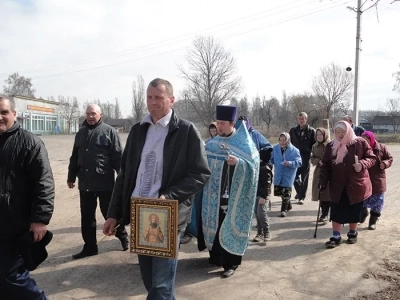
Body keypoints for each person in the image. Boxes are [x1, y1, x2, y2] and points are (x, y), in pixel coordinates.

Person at [103, 78, 210, 299]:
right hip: (140, 212)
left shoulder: (186, 131)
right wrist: (114, 214)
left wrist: (168, 196)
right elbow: (124, 176)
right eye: (149, 97)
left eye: (158, 97)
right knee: (151, 281)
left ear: (171, 100)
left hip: (166, 215)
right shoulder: (138, 131)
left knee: (161, 286)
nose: (153, 102)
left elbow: (201, 174)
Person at [0, 95, 55, 299]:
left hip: (15, 225)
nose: (0, 117)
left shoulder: (29, 142)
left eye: (4, 112)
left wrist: (40, 219)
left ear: (14, 114)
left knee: (11, 275)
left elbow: (44, 183)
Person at [201, 105, 259, 278]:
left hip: (234, 195)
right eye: (217, 123)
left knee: (230, 224)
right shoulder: (212, 144)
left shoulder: (244, 143)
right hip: (214, 194)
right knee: (216, 223)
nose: (219, 127)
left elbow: (254, 166)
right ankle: (216, 258)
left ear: (232, 123)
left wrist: (239, 164)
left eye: (223, 123)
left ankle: (231, 263)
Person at [67, 104, 128, 259]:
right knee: (87, 217)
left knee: (110, 213)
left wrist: (123, 180)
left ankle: (123, 236)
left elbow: (117, 158)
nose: (90, 116)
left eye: (93, 113)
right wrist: (71, 176)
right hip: (85, 183)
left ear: (100, 114)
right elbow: (75, 156)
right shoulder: (80, 133)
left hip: (105, 183)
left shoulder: (109, 132)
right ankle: (90, 247)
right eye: (88, 113)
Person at [319, 121, 376, 249]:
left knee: (353, 210)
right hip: (337, 184)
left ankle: (352, 233)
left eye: (342, 132)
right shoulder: (330, 146)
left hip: (355, 183)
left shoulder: (360, 143)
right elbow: (325, 165)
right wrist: (322, 181)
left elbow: (372, 158)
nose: (340, 135)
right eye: (337, 132)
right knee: (336, 210)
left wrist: (362, 164)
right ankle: (336, 235)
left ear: (349, 131)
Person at [360, 131, 393, 230]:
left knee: (378, 202)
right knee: (361, 200)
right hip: (364, 179)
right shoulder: (360, 148)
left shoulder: (381, 148)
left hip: (378, 179)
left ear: (371, 139)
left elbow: (390, 158)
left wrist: (385, 163)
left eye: (367, 140)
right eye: (363, 141)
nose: (365, 143)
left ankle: (372, 221)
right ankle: (363, 213)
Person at [271, 133, 302, 217]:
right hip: (278, 172)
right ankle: (288, 205)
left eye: (284, 140)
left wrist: (290, 163)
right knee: (281, 192)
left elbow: (299, 162)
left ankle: (283, 210)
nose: (282, 142)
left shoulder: (294, 150)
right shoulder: (275, 148)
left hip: (288, 174)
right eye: (280, 140)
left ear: (288, 140)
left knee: (286, 192)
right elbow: (271, 159)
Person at [289, 112, 316, 204]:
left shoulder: (311, 131)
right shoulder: (293, 130)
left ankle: (302, 197)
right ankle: (300, 191)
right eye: (299, 119)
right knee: (294, 176)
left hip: (305, 156)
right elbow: (289, 143)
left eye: (302, 119)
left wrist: (314, 156)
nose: (301, 120)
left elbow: (315, 144)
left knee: (304, 177)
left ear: (306, 119)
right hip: (295, 156)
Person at [252, 147, 273, 242]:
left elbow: (267, 183)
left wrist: (263, 196)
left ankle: (266, 232)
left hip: (262, 195)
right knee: (257, 213)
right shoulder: (259, 166)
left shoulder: (265, 168)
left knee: (261, 213)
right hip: (256, 193)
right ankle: (259, 233)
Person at [310, 128, 331, 222]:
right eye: (317, 134)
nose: (319, 136)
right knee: (320, 193)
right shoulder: (314, 146)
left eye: (321, 134)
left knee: (328, 193)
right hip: (319, 171)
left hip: (330, 171)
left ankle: (327, 212)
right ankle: (324, 213)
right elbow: (312, 157)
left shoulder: (330, 145)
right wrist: (318, 161)